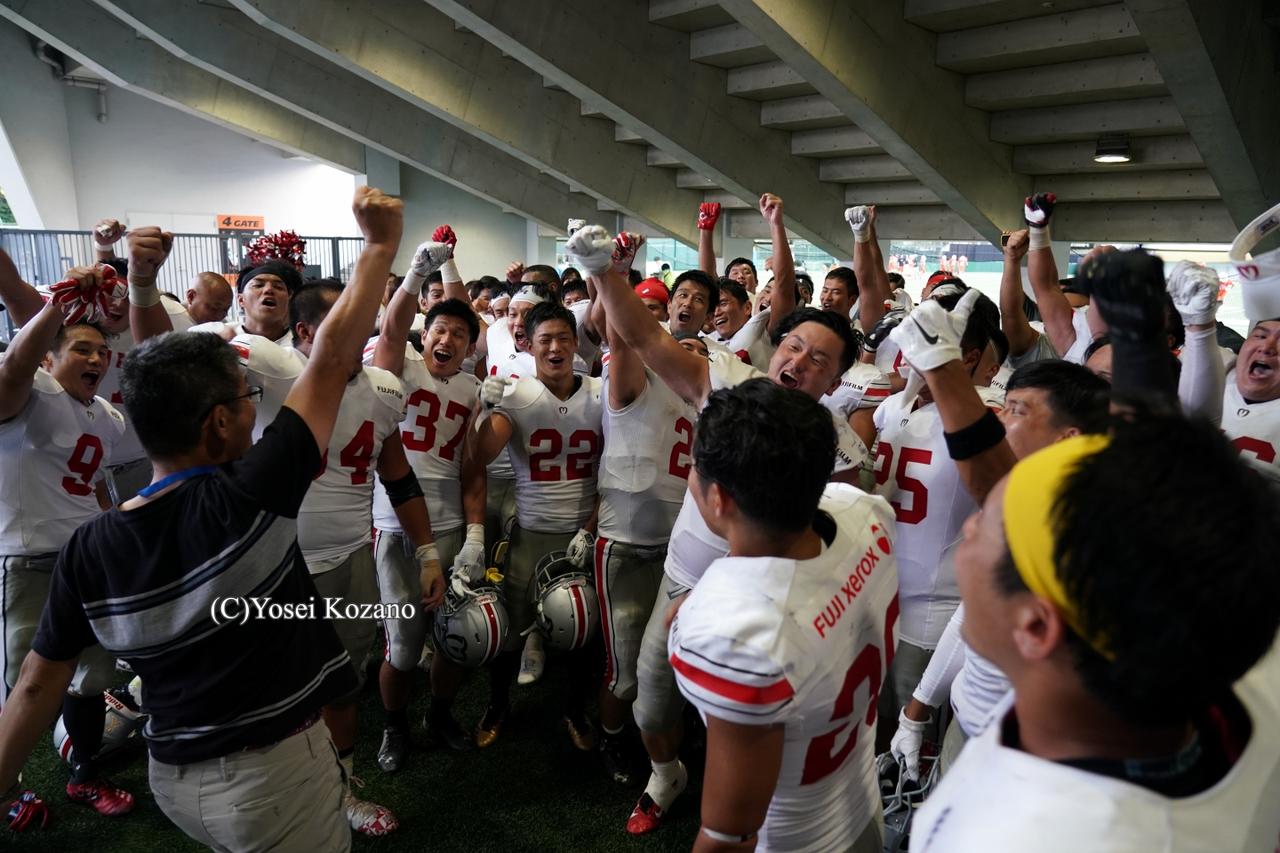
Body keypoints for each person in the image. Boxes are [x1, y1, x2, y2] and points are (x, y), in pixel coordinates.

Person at [0, 186, 403, 851]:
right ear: (219, 423)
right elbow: (333, 360)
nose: (255, 408)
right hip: (269, 775)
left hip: (174, 778)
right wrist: (381, 247)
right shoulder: (251, 497)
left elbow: (38, 684)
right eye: (245, 398)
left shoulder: (91, 544)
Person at [570, 220, 871, 834]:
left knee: (759, 717)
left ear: (835, 382)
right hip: (684, 578)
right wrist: (606, 272)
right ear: (775, 349)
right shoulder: (732, 383)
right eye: (793, 348)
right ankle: (667, 773)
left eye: (819, 360)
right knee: (652, 698)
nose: (799, 363)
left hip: (767, 599)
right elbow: (648, 337)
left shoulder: (842, 450)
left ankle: (735, 801)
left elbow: (839, 537)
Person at [912, 416, 1280, 851]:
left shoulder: (1010, 839)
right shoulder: (1222, 655)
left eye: (987, 525)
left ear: (1035, 627)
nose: (968, 529)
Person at [670, 379, 898, 853]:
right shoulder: (863, 509)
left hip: (796, 840)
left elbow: (729, 834)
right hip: (860, 805)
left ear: (720, 499)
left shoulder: (734, 632)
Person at [886, 359, 1110, 779]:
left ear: (1069, 438)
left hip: (1024, 765)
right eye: (1004, 407)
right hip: (967, 730)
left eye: (1018, 411)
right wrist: (918, 709)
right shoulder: (1023, 502)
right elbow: (972, 611)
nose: (1001, 421)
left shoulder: (1087, 538)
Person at [0, 269, 129, 817]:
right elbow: (12, 369)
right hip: (28, 562)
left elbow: (95, 484)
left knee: (93, 676)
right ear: (50, 359)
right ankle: (12, 786)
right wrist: (55, 307)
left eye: (102, 350)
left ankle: (83, 771)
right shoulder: (28, 393)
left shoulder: (106, 417)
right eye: (82, 348)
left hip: (87, 561)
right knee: (21, 685)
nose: (96, 358)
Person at [869, 287, 1007, 744]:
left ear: (964, 357)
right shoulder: (892, 407)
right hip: (877, 595)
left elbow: (1005, 486)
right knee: (875, 725)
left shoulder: (988, 415)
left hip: (933, 609)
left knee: (917, 744)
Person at [471, 301, 604, 750]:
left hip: (584, 532)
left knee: (583, 633)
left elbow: (616, 471)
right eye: (544, 339)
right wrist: (482, 410)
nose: (555, 347)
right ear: (527, 345)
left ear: (575, 342)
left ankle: (574, 709)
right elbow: (482, 455)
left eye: (563, 338)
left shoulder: (601, 394)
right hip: (531, 530)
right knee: (509, 630)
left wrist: (592, 525)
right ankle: (498, 702)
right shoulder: (517, 394)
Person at [370, 281, 486, 770]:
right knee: (402, 646)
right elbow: (392, 329)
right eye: (440, 328)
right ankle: (393, 725)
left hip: (450, 526)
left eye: (460, 333)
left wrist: (476, 533)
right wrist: (414, 281)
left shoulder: (474, 389)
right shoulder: (402, 368)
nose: (448, 338)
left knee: (456, 639)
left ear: (471, 345)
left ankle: (438, 716)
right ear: (425, 333)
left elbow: (472, 469)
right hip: (395, 527)